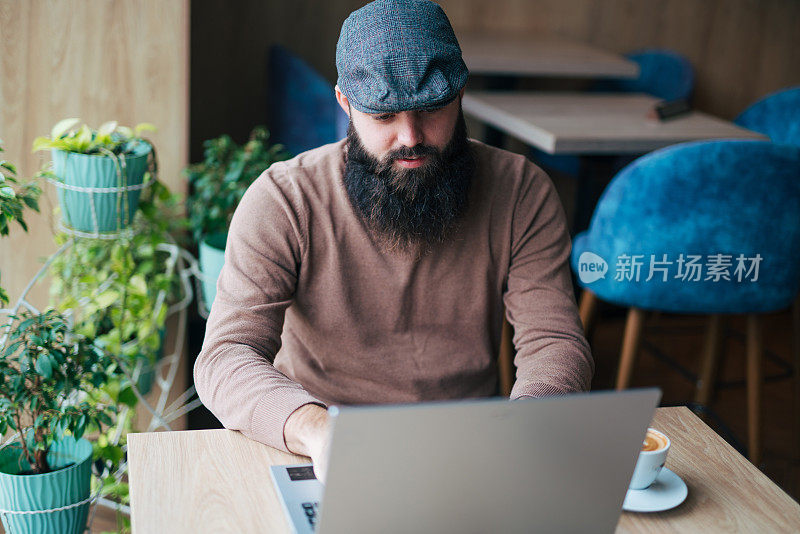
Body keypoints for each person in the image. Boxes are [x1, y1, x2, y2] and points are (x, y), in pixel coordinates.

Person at [194, 0, 593, 483]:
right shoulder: (284, 199)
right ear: (345, 103)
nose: (411, 136)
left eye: (431, 109)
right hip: (313, 444)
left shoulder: (521, 191)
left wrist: (528, 423)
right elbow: (225, 355)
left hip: (466, 443)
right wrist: (317, 429)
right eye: (384, 116)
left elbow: (553, 341)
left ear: (460, 93)